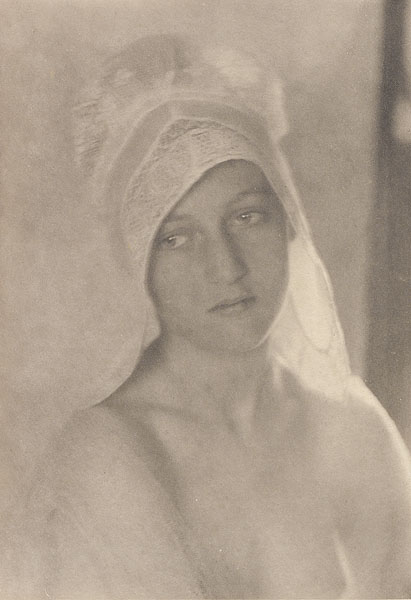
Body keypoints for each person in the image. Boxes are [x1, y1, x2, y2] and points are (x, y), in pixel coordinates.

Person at [3, 34, 411, 599]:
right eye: (176, 238)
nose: (226, 267)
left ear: (289, 219)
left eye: (247, 217)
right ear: (137, 263)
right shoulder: (107, 453)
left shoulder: (357, 431)